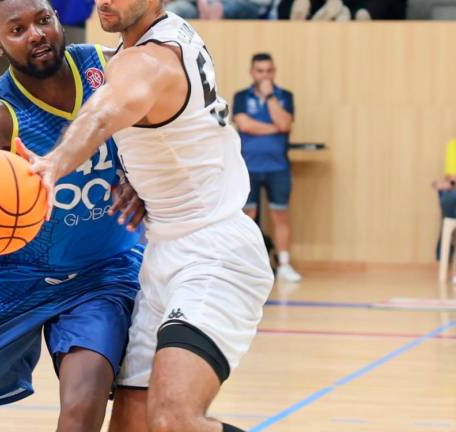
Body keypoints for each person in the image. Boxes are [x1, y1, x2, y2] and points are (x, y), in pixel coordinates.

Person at [22, 1, 274, 431]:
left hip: (215, 254)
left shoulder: (152, 59)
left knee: (173, 421)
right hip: (162, 253)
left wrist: (54, 163)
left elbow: (104, 112)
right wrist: (133, 180)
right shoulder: (145, 44)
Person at [0, 0, 145, 431]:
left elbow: (163, 125)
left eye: (43, 20)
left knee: (82, 405)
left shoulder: (107, 69)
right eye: (18, 29)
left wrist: (144, 180)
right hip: (12, 278)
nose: (35, 34)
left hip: (102, 273)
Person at [232, 53, 301, 283]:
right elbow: (244, 124)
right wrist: (276, 127)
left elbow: (285, 123)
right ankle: (246, 266)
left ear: (274, 71)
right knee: (246, 216)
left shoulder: (284, 96)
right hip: (248, 166)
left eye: (268, 71)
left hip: (277, 167)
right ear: (252, 72)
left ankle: (284, 264)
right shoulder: (242, 96)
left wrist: (270, 96)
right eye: (260, 71)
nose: (264, 75)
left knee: (280, 214)